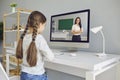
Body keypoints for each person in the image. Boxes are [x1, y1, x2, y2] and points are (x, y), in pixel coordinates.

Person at [16, 11, 54, 80]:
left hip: (24, 74)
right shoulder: (40, 38)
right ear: (40, 24)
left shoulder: (23, 37)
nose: (44, 28)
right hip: (37, 76)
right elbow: (51, 57)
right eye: (44, 25)